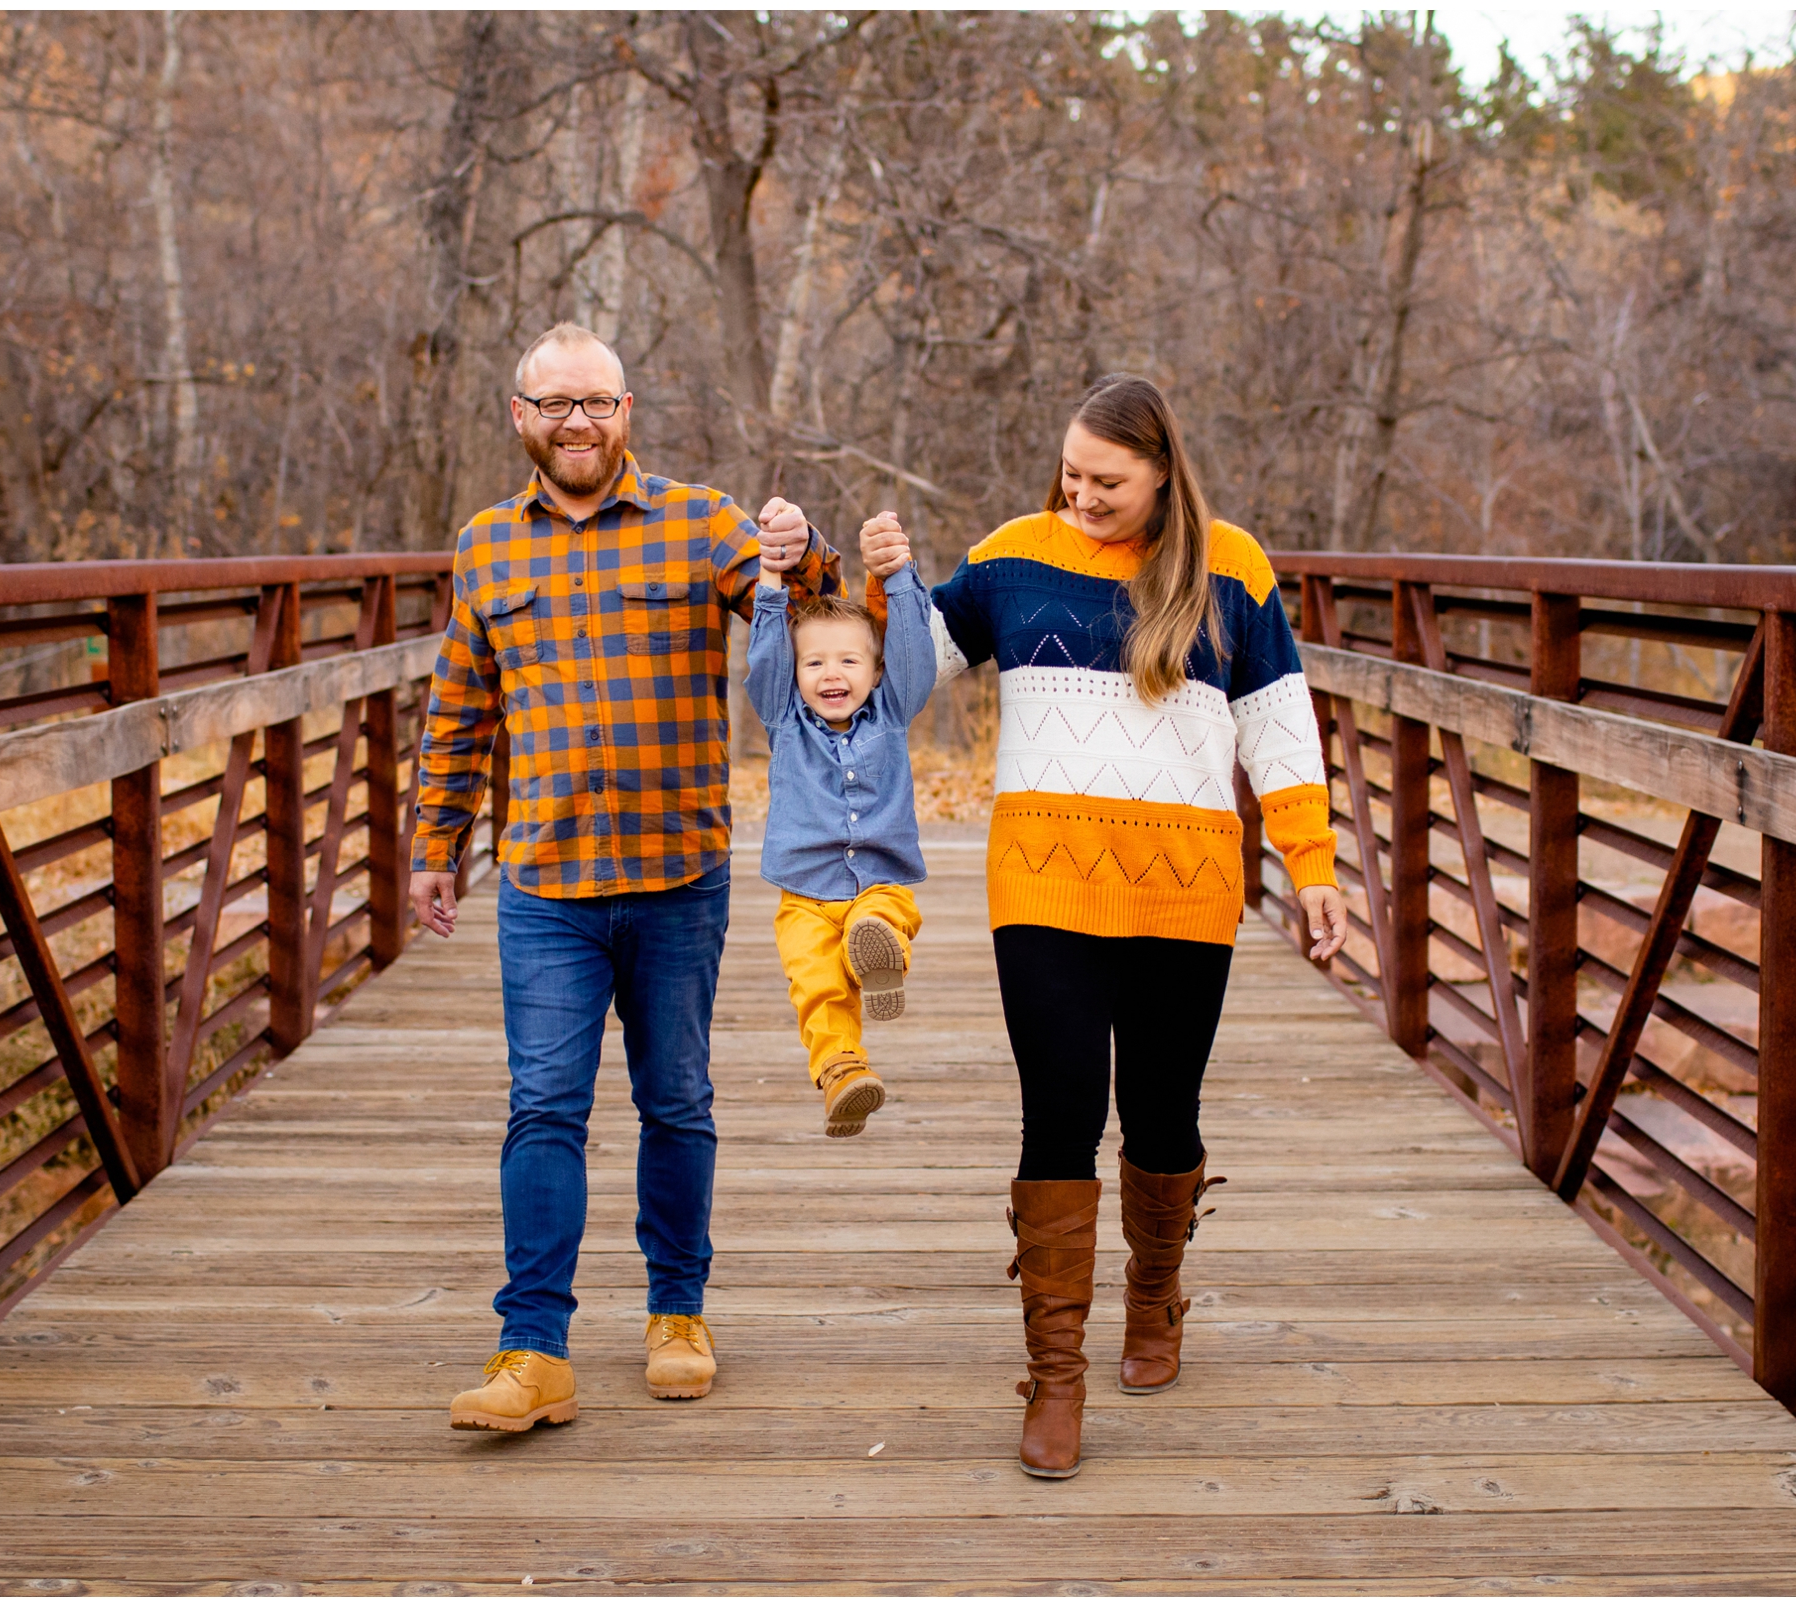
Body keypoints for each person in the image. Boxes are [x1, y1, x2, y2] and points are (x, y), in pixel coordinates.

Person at [860, 374, 1348, 1479]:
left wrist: (1313, 864)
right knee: (1062, 1111)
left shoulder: (1234, 568)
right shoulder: (1013, 554)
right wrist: (876, 583)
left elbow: (1280, 724)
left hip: (1185, 883)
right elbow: (903, 680)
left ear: (1164, 473)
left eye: (1107, 482)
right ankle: (1057, 1373)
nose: (1080, 495)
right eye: (1071, 474)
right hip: (1044, 883)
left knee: (1163, 1113)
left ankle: (1156, 1294)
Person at [409, 322, 844, 1433]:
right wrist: (433, 846)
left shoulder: (703, 524)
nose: (577, 423)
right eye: (554, 404)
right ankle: (533, 1348)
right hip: (546, 880)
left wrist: (805, 549)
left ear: (627, 410)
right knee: (543, 1107)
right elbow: (460, 709)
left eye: (595, 402)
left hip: (676, 871)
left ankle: (677, 1311)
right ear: (520, 418)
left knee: (676, 1100)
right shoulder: (486, 547)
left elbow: (818, 626)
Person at [745, 536, 936, 1136]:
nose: (832, 673)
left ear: (877, 671)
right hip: (804, 893)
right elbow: (766, 659)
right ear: (796, 672)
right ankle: (843, 1074)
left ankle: (881, 957)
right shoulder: (783, 717)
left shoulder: (893, 709)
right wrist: (771, 583)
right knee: (815, 985)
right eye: (815, 662)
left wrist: (899, 577)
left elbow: (914, 654)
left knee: (882, 915)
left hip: (878, 878)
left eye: (850, 661)